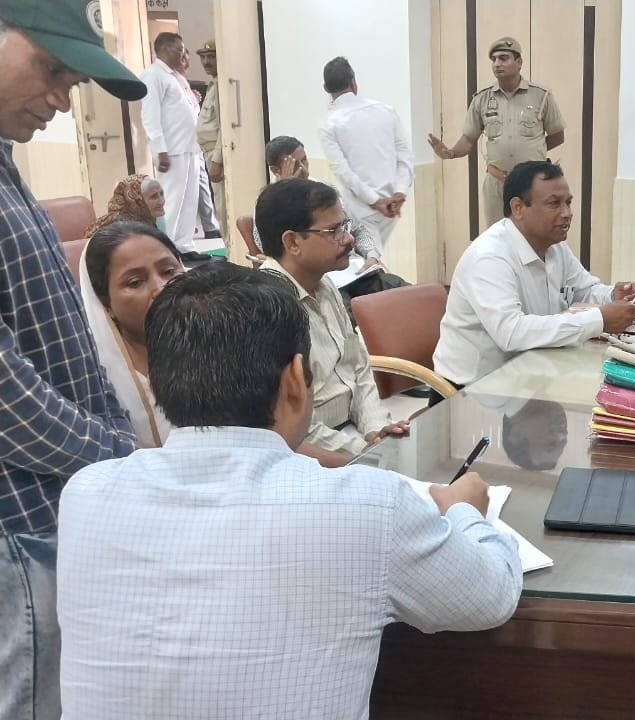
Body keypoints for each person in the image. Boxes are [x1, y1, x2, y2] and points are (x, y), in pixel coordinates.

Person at [57, 263, 522, 719]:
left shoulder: (86, 494)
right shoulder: (366, 506)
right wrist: (464, 511)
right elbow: (490, 597)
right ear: (296, 380)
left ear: (157, 381)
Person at [0, 2, 145, 718]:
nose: (61, 99)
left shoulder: (5, 167)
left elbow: (63, 348)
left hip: (56, 507)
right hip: (18, 522)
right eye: (51, 69)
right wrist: (119, 453)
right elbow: (9, 401)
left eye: (72, 82)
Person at [433, 161, 635, 387]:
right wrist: (599, 319)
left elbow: (584, 289)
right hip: (472, 390)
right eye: (554, 204)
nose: (567, 213)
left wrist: (612, 295)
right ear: (518, 208)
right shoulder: (489, 257)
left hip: (530, 376)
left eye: (568, 202)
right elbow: (511, 332)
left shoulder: (554, 246)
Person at [255, 177, 409, 467]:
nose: (348, 239)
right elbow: (293, 429)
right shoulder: (267, 310)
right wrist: (364, 451)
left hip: (353, 436)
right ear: (292, 242)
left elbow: (357, 366)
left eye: (344, 226)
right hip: (309, 457)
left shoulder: (323, 283)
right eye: (333, 231)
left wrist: (375, 428)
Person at [262, 135, 408, 319]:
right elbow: (266, 245)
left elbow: (357, 229)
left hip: (355, 271)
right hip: (328, 279)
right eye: (294, 165)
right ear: (276, 170)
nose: (303, 169)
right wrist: (285, 190)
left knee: (407, 295)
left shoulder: (325, 190)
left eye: (304, 160)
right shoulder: (269, 205)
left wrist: (371, 255)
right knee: (350, 315)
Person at [429, 36, 566, 228]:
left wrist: (532, 154)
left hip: (532, 183)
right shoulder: (482, 99)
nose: (497, 64)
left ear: (519, 62)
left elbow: (557, 136)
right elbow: (468, 140)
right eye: (493, 59)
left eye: (503, 58)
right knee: (497, 236)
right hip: (497, 182)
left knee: (534, 234)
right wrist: (450, 153)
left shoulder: (540, 96)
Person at [80, 221, 183, 448]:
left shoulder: (219, 347)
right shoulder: (95, 380)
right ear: (106, 304)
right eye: (135, 282)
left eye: (169, 272)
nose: (161, 288)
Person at [316, 56, 413, 254]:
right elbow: (405, 157)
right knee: (374, 258)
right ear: (353, 83)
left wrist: (375, 201)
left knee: (371, 260)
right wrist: (399, 193)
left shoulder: (328, 124)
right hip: (391, 204)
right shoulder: (386, 111)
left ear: (326, 89)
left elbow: (343, 171)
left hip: (361, 208)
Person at [140, 32, 204, 259]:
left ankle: (185, 245)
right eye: (180, 50)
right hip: (172, 149)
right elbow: (150, 115)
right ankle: (169, 248)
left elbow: (185, 109)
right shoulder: (153, 75)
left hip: (190, 146)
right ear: (165, 49)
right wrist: (160, 150)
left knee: (189, 200)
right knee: (172, 200)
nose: (184, 55)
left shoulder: (176, 76)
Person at [194, 39, 226, 236]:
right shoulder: (214, 83)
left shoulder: (222, 85)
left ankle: (231, 249)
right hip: (209, 152)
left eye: (211, 57)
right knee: (219, 206)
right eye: (203, 57)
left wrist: (217, 161)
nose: (206, 62)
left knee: (223, 207)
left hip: (216, 154)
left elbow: (225, 127)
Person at [83, 174, 165, 238]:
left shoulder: (149, 218)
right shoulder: (123, 229)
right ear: (137, 200)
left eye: (161, 194)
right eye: (154, 196)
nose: (162, 201)